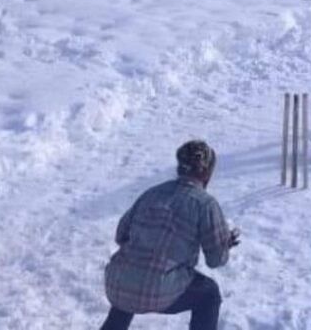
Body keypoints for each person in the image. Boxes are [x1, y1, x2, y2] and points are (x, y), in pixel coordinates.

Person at [99, 140, 239, 330]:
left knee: (132, 276)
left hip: (116, 285)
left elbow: (121, 235)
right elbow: (216, 259)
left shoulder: (152, 193)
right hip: (156, 291)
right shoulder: (205, 204)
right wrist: (224, 243)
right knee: (209, 294)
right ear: (206, 172)